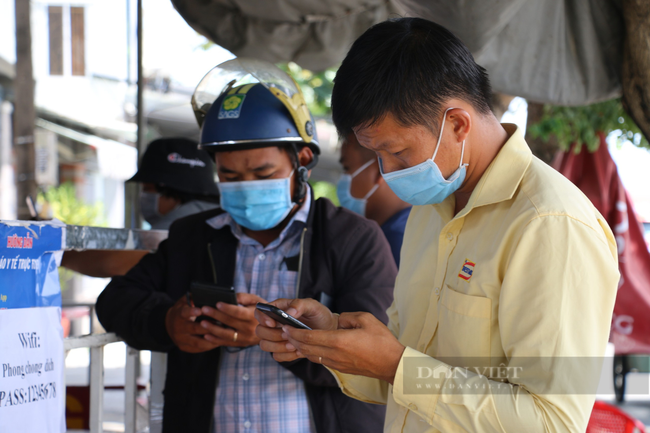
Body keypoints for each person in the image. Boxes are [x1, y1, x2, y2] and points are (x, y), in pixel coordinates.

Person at [255, 18, 620, 433]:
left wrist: (398, 366)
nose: (386, 173)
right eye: (376, 155)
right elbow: (409, 361)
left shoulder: (551, 224)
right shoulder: (432, 208)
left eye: (397, 152)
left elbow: (550, 421)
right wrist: (330, 339)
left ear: (458, 124)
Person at [95, 59, 396, 433]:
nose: (246, 186)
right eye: (230, 176)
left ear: (302, 161)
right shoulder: (194, 236)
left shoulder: (352, 238)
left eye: (263, 174)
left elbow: (374, 355)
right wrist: (169, 323)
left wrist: (277, 336)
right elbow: (116, 300)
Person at [61, 137, 220, 277]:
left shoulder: (183, 221)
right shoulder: (212, 212)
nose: (143, 196)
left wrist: (57, 254)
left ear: (168, 188)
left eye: (147, 189)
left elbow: (116, 265)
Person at [337, 133, 411, 266]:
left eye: (346, 168)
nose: (342, 179)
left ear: (381, 169)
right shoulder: (407, 228)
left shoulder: (396, 243)